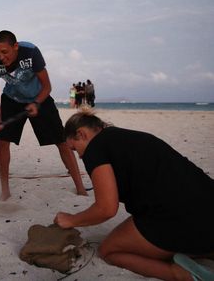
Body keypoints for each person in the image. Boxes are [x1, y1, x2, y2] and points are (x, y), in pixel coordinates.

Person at [54, 109, 214, 280]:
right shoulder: (128, 138)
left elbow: (106, 209)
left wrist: (71, 220)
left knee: (109, 251)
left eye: (75, 148)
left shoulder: (95, 147)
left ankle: (180, 274)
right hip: (208, 208)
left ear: (81, 133)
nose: (79, 155)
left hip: (183, 219)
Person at [0, 30, 87, 201]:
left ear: (15, 47)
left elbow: (47, 86)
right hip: (11, 99)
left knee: (61, 141)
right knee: (3, 142)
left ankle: (80, 187)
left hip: (40, 97)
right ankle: (5, 191)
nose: (1, 57)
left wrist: (37, 103)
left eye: (5, 52)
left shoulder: (30, 52)